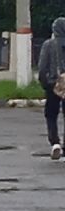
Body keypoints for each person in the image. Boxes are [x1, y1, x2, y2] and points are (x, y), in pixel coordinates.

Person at [37, 17, 65, 159]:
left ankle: (55, 143)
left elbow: (42, 68)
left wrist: (45, 84)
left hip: (53, 85)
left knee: (51, 115)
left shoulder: (48, 45)